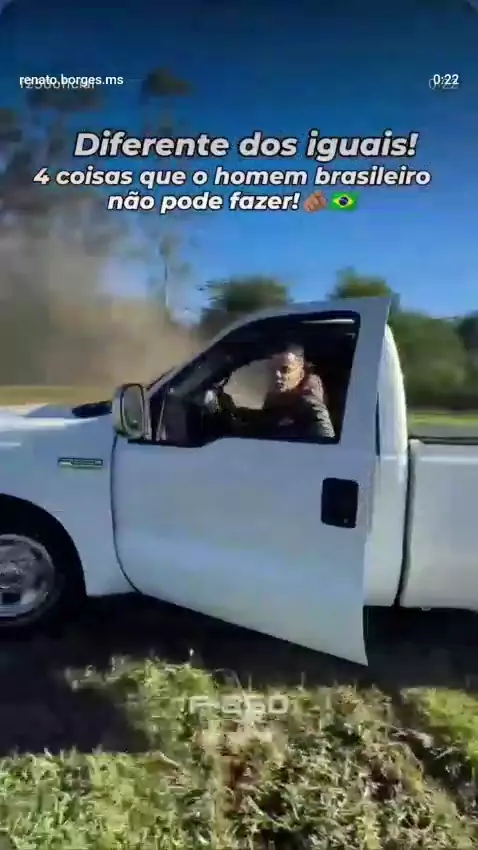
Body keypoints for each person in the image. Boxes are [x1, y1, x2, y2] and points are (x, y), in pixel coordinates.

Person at [262, 343, 335, 441]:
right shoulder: (266, 396)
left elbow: (325, 438)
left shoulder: (310, 406)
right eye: (271, 369)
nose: (277, 375)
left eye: (285, 370)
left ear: (301, 374)